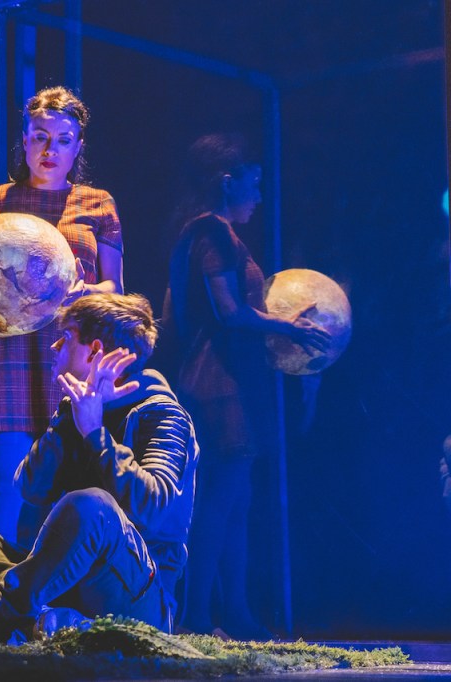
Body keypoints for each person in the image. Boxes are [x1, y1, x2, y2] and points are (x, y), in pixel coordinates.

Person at [0, 293, 199, 652]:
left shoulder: (163, 415)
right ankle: (42, 622)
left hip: (140, 597)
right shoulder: (74, 413)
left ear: (95, 351)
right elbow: (31, 488)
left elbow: (152, 507)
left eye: (66, 337)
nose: (54, 347)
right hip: (64, 586)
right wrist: (69, 419)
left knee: (91, 505)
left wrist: (95, 433)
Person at [160, 132, 329, 640]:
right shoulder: (211, 232)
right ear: (227, 181)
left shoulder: (211, 233)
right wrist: (288, 327)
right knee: (221, 496)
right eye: (253, 184)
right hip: (219, 380)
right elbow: (229, 313)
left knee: (238, 497)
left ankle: (235, 611)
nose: (258, 196)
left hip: (229, 376)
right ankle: (196, 615)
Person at [0, 86, 124, 549]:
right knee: (7, 486)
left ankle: (67, 590)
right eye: (41, 137)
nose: (51, 150)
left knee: (73, 489)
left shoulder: (98, 204)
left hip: (73, 355)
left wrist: (85, 291)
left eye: (63, 140)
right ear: (25, 140)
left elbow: (115, 288)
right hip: (12, 355)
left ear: (78, 146)